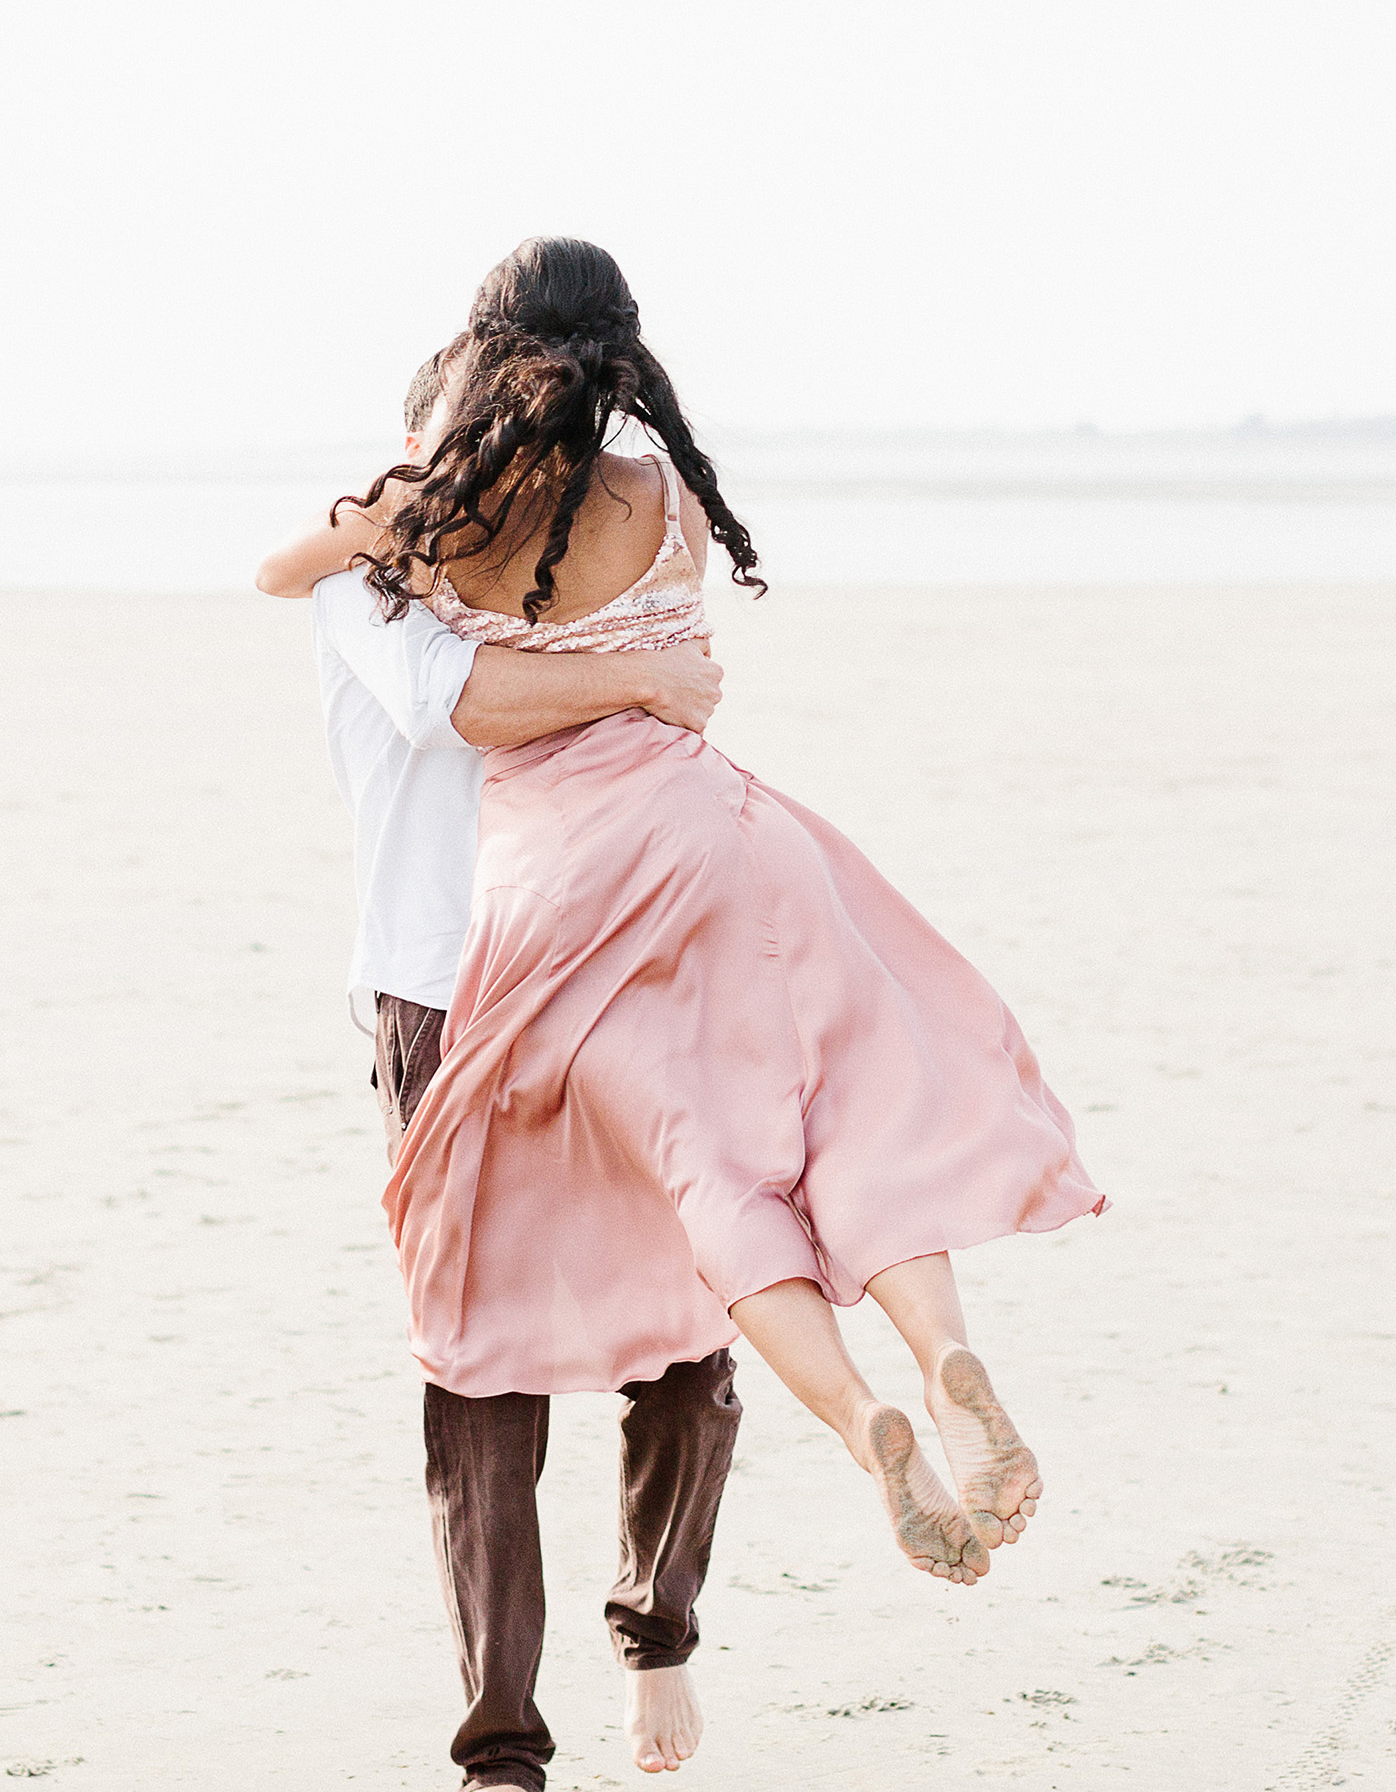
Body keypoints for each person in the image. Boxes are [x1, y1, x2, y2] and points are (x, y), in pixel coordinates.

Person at [277, 234, 1105, 1607]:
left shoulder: (443, 528)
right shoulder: (667, 499)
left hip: (575, 896)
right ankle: (943, 1354)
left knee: (704, 1170)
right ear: (624, 365)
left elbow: (349, 616)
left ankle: (858, 1419)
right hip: (736, 842)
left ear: (483, 362)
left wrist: (405, 494)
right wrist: (652, 674)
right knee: (852, 1111)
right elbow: (681, 665)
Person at [256, 353, 742, 1791]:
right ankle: (502, 1751)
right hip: (440, 992)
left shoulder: (584, 559)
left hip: (609, 975)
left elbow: (675, 716)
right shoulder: (368, 569)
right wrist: (643, 670)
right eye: (462, 436)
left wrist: (650, 664)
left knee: (698, 1325)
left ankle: (659, 1631)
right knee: (480, 1373)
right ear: (421, 440)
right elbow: (448, 701)